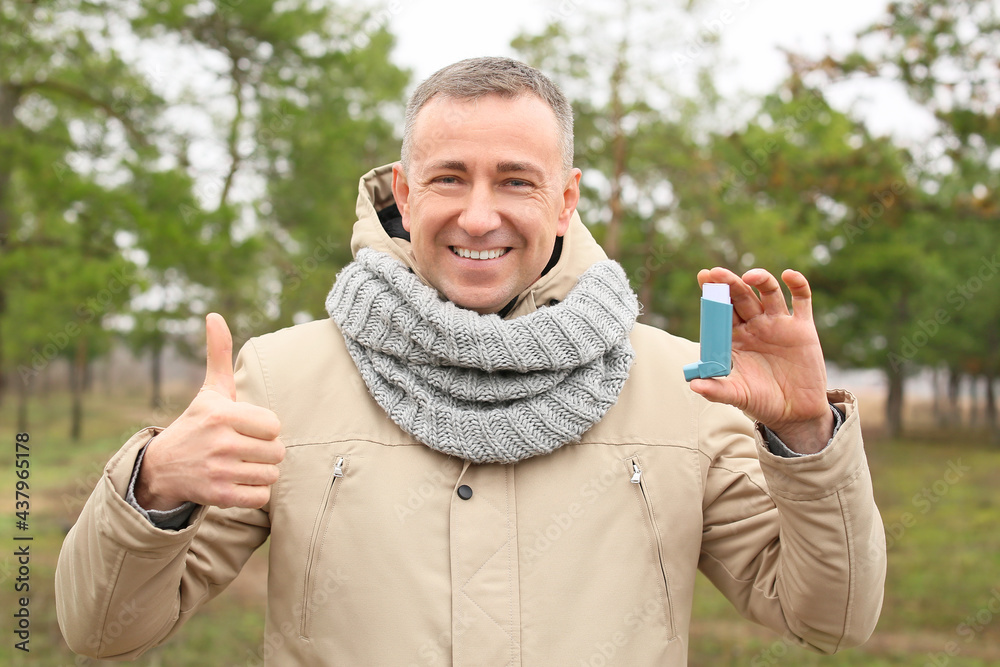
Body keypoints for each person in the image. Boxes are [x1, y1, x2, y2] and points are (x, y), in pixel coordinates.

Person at [56, 56, 886, 665]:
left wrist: (807, 435)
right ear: (405, 193)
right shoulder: (280, 381)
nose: (479, 215)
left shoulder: (685, 389)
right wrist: (153, 486)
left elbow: (831, 618)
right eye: (449, 177)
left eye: (516, 181)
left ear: (565, 198)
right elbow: (101, 630)